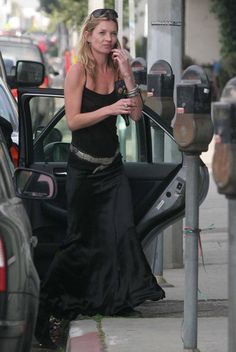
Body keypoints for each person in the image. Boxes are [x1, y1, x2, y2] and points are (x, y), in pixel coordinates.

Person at [35, 8, 165, 349]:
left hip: (113, 169)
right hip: (83, 169)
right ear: (89, 36)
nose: (108, 39)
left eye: (112, 33)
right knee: (79, 241)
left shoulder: (118, 72)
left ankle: (114, 300)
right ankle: (48, 306)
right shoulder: (78, 70)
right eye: (102, 33)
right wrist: (109, 109)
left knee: (121, 235)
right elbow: (74, 121)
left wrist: (128, 74)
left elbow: (136, 116)